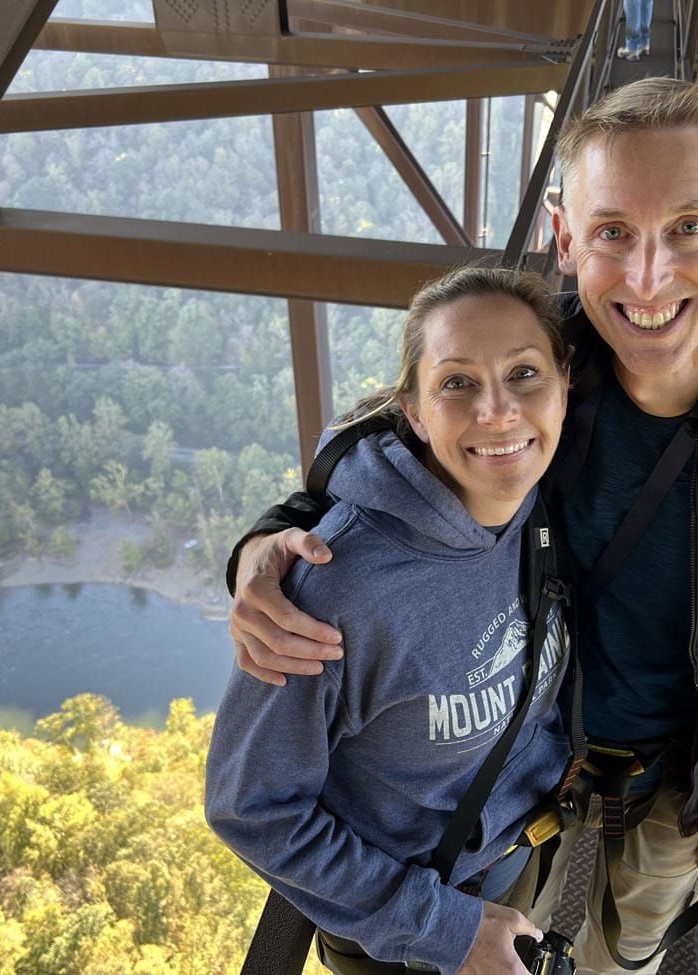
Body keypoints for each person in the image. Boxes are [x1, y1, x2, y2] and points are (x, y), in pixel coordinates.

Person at [226, 78, 698, 975]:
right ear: (564, 235)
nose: (649, 277)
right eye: (614, 232)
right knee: (513, 929)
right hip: (521, 768)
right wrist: (264, 545)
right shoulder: (534, 369)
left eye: (689, 228)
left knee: (633, 943)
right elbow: (385, 447)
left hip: (686, 774)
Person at [205, 266, 576, 975]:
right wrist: (447, 929)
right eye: (457, 382)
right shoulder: (337, 586)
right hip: (405, 923)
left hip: (518, 855)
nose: (498, 411)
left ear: (565, 385)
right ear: (412, 410)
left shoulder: (542, 494)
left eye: (524, 373)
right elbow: (248, 804)